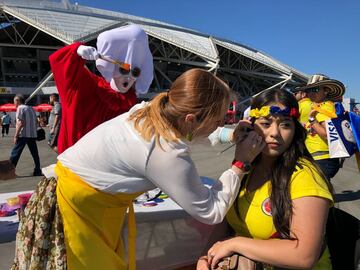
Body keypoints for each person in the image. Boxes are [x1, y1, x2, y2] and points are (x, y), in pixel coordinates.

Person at [12, 69, 265, 270]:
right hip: (74, 211)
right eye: (218, 120)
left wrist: (227, 134)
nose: (220, 123)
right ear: (191, 118)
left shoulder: (151, 109)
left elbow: (190, 132)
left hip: (77, 199)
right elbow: (210, 211)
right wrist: (240, 164)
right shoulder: (164, 152)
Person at [197, 88, 333, 270]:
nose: (275, 133)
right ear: (251, 126)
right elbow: (223, 224)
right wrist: (206, 258)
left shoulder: (304, 176)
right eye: (266, 123)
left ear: (295, 130)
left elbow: (304, 255)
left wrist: (234, 243)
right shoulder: (245, 168)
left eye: (285, 125)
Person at [49, 24, 154, 154]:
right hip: (77, 162)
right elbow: (60, 65)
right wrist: (75, 51)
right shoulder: (87, 85)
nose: (129, 77)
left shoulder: (130, 104)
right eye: (124, 69)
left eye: (135, 72)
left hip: (110, 167)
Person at [300, 74, 345, 181]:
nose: (311, 93)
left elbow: (327, 134)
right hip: (320, 159)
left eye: (315, 89)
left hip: (323, 159)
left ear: (326, 91)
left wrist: (312, 120)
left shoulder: (324, 107)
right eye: (308, 90)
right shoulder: (319, 107)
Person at [9, 94, 42, 176]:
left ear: (17, 101)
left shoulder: (20, 108)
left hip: (23, 134)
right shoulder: (31, 108)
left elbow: (21, 123)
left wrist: (16, 135)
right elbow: (36, 121)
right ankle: (37, 170)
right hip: (32, 134)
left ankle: (9, 172)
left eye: (14, 102)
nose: (14, 104)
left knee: (15, 153)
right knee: (35, 154)